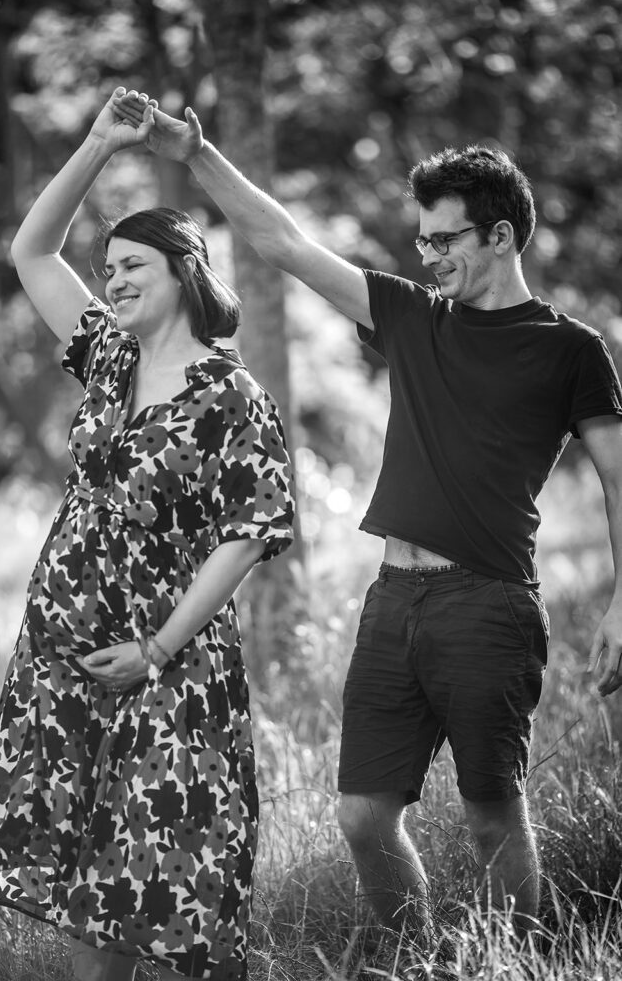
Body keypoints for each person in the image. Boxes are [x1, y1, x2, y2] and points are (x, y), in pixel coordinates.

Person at [112, 89, 622, 946]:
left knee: (493, 813)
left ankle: (519, 962)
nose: (429, 256)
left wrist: (620, 600)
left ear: (501, 235)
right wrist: (193, 152)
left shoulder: (570, 349)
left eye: (446, 239)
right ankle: (421, 957)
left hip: (488, 603)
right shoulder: (412, 317)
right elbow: (282, 241)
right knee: (360, 813)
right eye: (422, 240)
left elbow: (616, 476)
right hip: (393, 599)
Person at [0, 88, 294, 981]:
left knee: (171, 873)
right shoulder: (108, 358)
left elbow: (249, 533)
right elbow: (30, 250)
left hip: (168, 659)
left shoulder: (232, 396)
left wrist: (155, 646)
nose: (112, 281)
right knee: (86, 881)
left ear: (184, 269)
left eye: (132, 264)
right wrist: (99, 147)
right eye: (107, 270)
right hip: (66, 656)